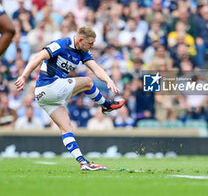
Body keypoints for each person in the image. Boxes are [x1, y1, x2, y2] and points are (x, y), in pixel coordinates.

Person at [15, 26, 125, 171]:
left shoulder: (82, 51)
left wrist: (109, 80)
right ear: (80, 40)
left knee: (66, 128)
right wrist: (24, 76)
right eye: (90, 43)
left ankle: (83, 162)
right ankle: (106, 105)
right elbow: (38, 57)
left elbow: (96, 68)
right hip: (48, 87)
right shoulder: (61, 44)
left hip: (46, 97)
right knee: (87, 82)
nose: (92, 46)